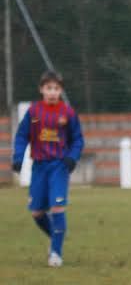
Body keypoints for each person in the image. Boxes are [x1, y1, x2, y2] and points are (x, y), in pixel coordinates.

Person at [11, 70, 84, 267]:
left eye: (56, 88)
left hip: (59, 166)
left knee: (58, 207)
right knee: (36, 212)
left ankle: (56, 253)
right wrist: (18, 158)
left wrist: (72, 157)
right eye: (48, 88)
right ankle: (56, 237)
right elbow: (24, 135)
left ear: (61, 91)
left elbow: (77, 139)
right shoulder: (35, 113)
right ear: (41, 89)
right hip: (39, 167)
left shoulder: (67, 114)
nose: (52, 92)